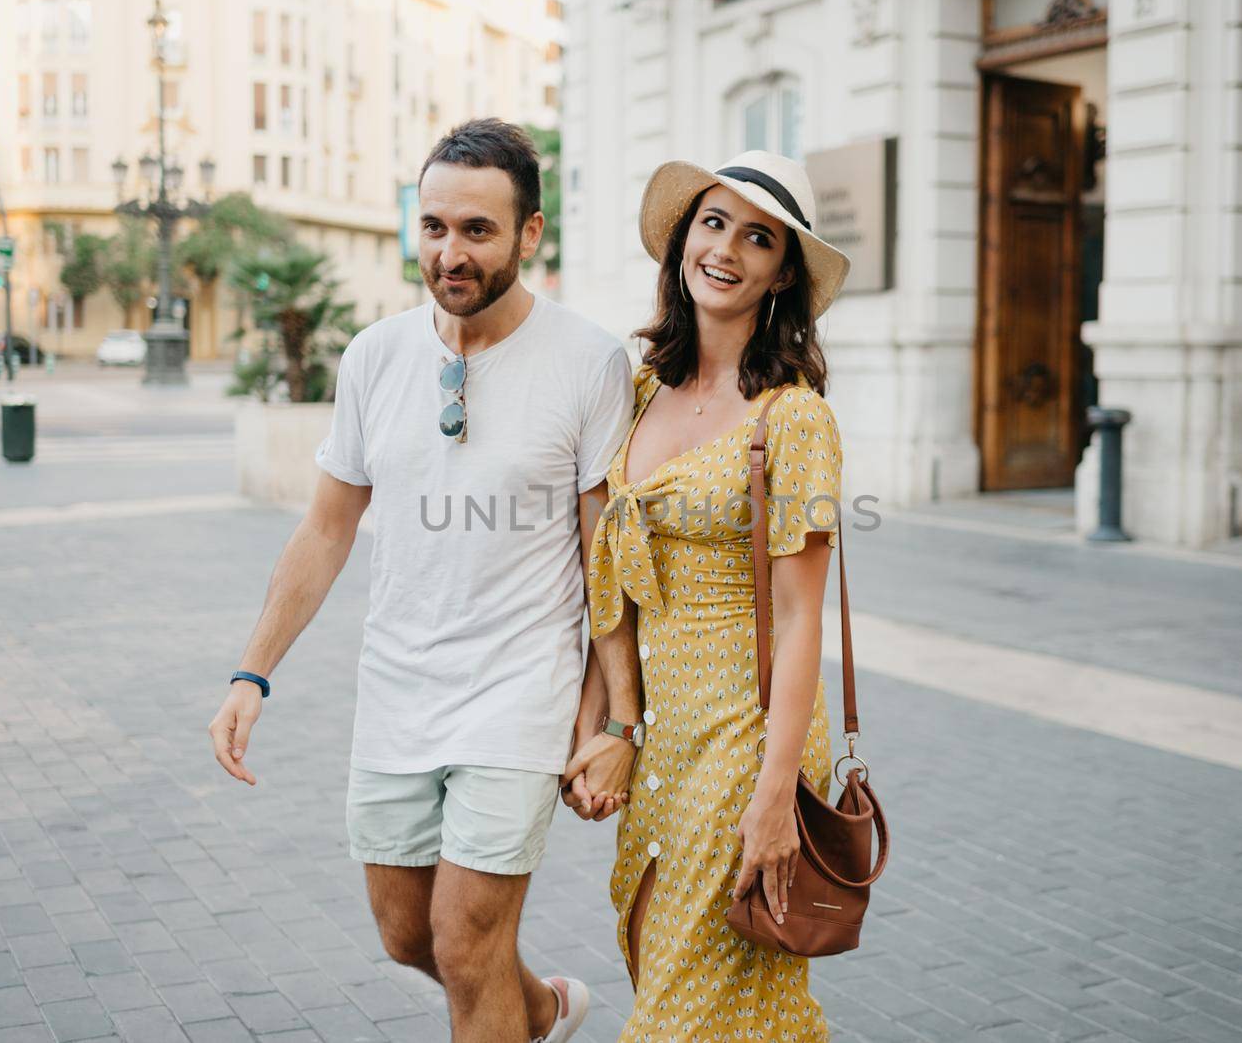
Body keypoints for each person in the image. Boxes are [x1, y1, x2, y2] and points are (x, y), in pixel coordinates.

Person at [207, 118, 641, 1043]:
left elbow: (607, 557)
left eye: (478, 230)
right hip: (398, 687)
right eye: (435, 225)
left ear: (529, 234)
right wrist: (252, 672)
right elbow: (327, 529)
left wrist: (614, 719)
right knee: (409, 933)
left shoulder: (590, 360)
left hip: (520, 693)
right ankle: (545, 1011)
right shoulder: (374, 356)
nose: (451, 251)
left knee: (463, 938)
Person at [568, 150, 852, 1040]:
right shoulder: (642, 386)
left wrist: (776, 792)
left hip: (744, 739)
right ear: (684, 238)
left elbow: (804, 615)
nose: (726, 248)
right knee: (665, 962)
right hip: (661, 743)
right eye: (713, 222)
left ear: (781, 274)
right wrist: (607, 722)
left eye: (758, 237)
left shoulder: (793, 418)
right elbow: (607, 572)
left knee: (679, 1013)